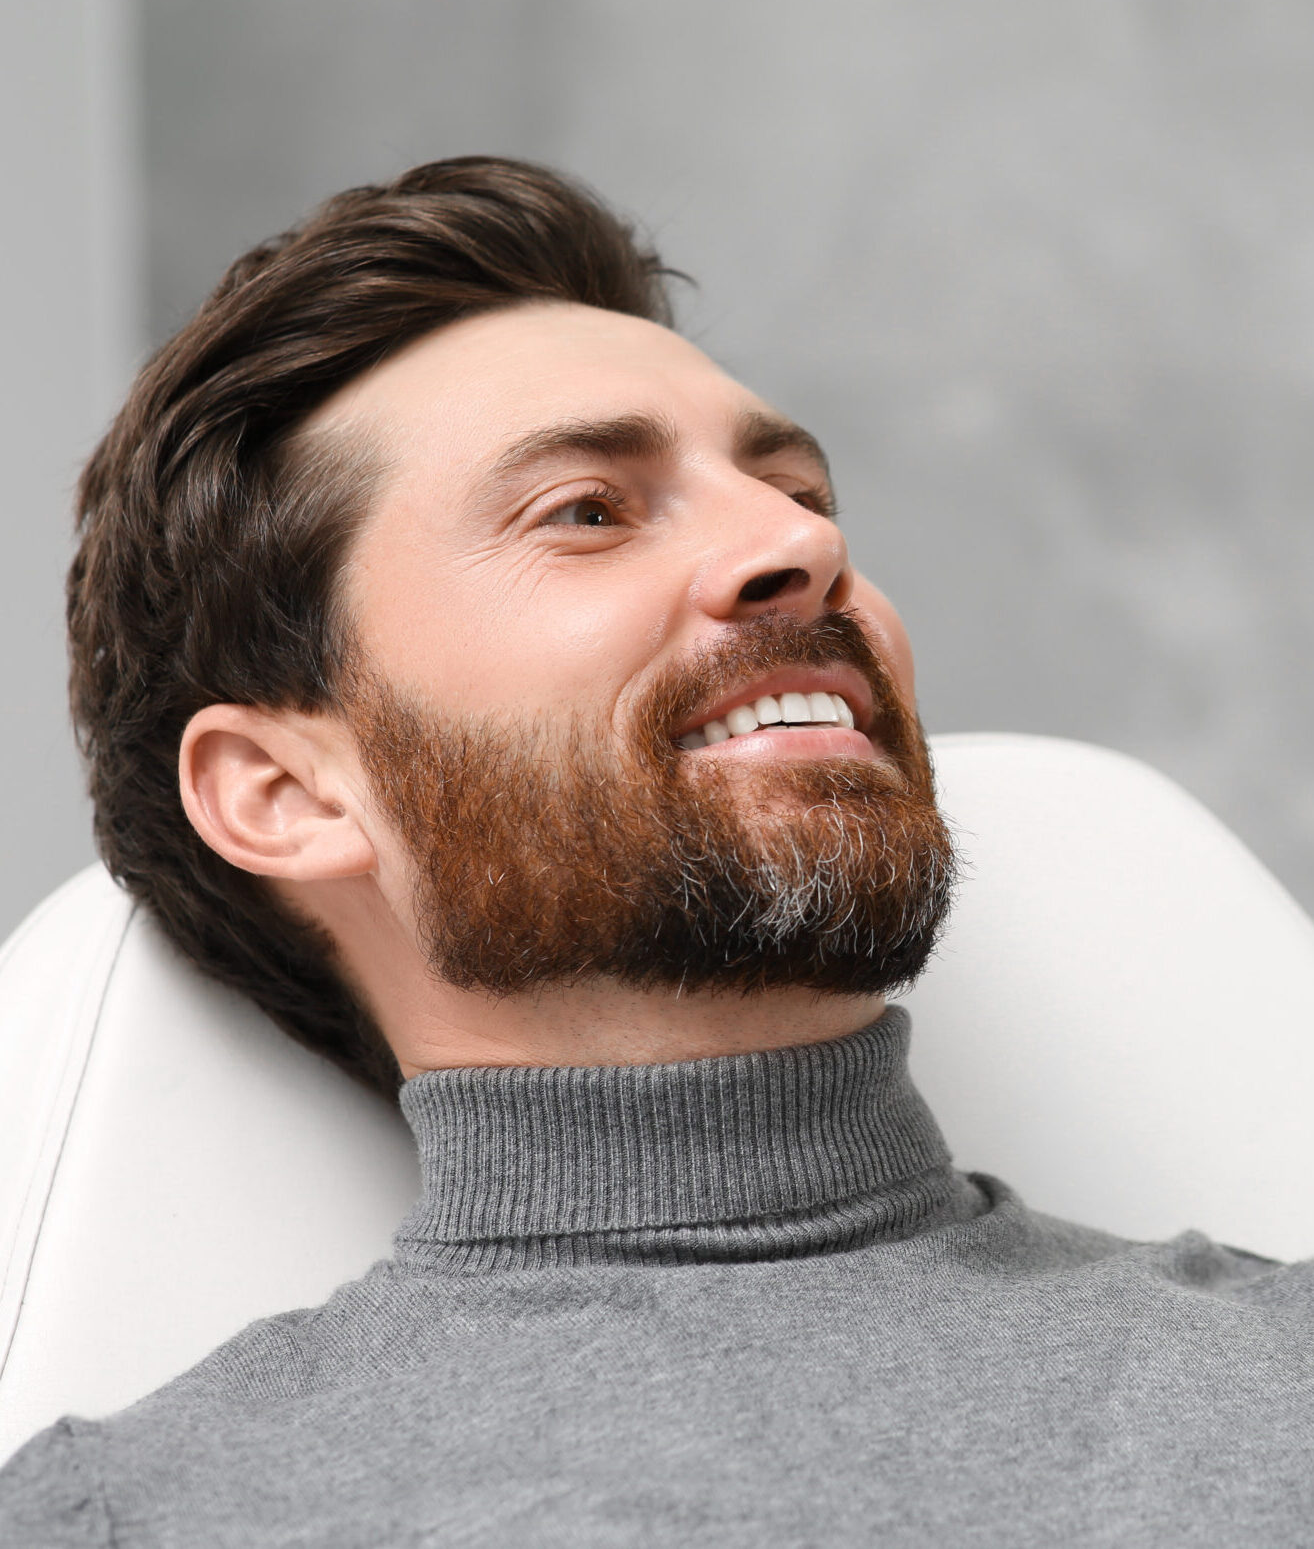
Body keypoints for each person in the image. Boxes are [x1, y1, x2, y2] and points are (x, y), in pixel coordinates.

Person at [1, 157, 1310, 1547]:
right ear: (284, 792)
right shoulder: (133, 1523)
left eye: (797, 487)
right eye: (586, 510)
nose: (798, 542)